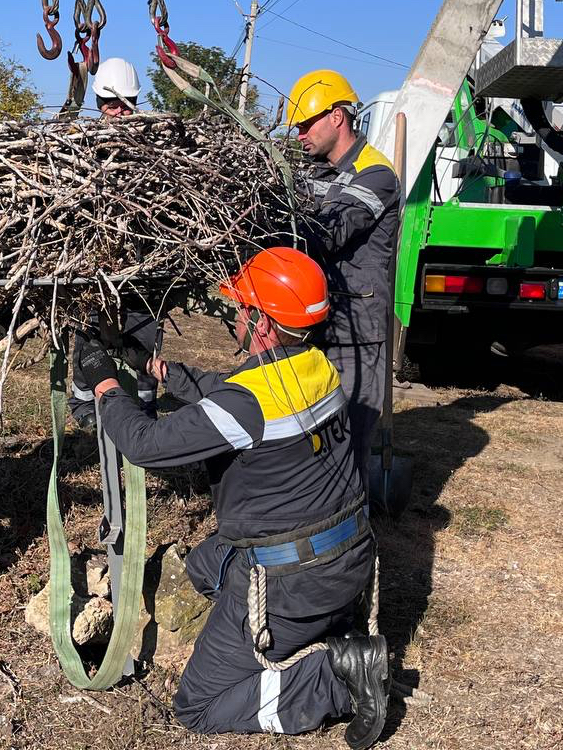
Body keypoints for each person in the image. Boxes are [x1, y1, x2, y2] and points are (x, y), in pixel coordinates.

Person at [74, 247, 388, 747]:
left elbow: (144, 445)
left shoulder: (247, 406)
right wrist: (161, 371)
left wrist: (105, 383)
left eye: (242, 309)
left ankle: (339, 676)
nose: (235, 316)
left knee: (199, 705)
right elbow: (235, 391)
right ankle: (326, 630)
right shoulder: (316, 367)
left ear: (261, 322)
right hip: (348, 558)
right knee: (201, 566)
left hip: (289, 580)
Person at [286, 69, 401, 496]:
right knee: (311, 444)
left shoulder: (377, 175)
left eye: (305, 124)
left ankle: (353, 547)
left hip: (359, 337)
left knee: (348, 449)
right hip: (317, 326)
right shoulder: (314, 171)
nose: (299, 135)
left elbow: (330, 232)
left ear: (337, 116)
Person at [68, 56, 162, 429]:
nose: (118, 111)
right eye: (110, 104)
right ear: (98, 104)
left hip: (143, 263)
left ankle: (144, 406)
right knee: (89, 334)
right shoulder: (79, 145)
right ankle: (84, 404)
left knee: (143, 335)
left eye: (125, 103)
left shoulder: (157, 147)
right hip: (92, 262)